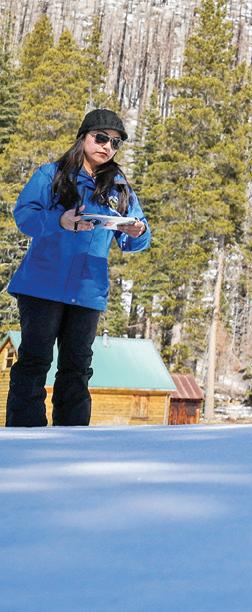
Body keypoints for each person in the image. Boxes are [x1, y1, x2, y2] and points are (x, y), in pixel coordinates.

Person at [6, 109, 151, 427]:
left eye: (115, 143)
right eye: (101, 138)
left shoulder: (119, 188)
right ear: (83, 137)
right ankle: (24, 436)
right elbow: (24, 215)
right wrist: (59, 220)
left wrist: (137, 231)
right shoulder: (51, 175)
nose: (107, 146)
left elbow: (137, 239)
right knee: (35, 360)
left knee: (77, 368)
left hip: (88, 291)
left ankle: (73, 438)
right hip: (42, 285)